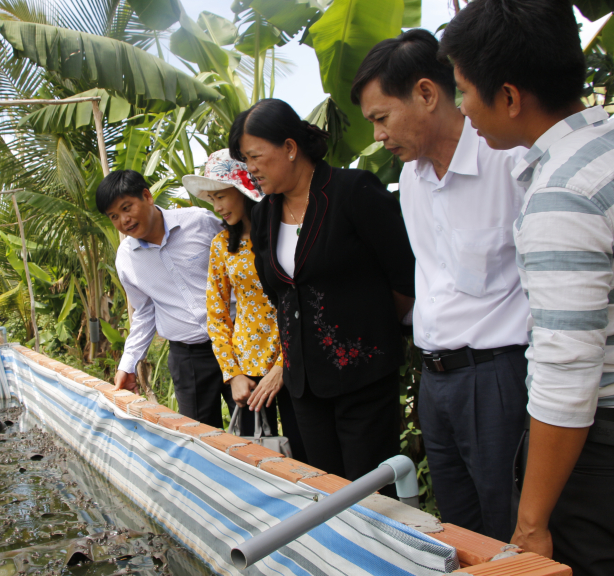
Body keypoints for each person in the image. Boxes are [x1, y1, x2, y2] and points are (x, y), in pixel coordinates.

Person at [441, 1, 614, 573]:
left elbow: (568, 373)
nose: (463, 109)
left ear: (510, 97)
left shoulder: (563, 195)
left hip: (611, 452)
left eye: (464, 91)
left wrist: (532, 523)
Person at [351, 29, 530, 541]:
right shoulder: (411, 180)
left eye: (382, 119)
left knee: (508, 530)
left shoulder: (508, 162)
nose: (379, 136)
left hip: (497, 376)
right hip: (437, 381)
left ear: (427, 94)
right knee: (457, 530)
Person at [230, 98, 415, 486]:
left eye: (256, 156)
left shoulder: (353, 192)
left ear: (290, 148)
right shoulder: (265, 213)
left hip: (361, 378)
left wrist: (369, 330)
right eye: (245, 161)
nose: (252, 170)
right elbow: (280, 293)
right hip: (304, 389)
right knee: (326, 490)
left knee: (373, 495)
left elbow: (404, 278)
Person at [183, 149, 307, 462]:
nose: (218, 206)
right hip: (248, 375)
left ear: (243, 190)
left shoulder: (284, 232)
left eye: (222, 196)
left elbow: (304, 301)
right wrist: (233, 373)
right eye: (212, 199)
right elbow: (217, 315)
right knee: (256, 461)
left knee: (307, 455)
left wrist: (284, 365)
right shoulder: (222, 245)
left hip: (294, 363)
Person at [98, 170, 236, 429]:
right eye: (114, 216)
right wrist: (128, 364)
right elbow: (145, 311)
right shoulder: (127, 259)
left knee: (255, 428)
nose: (124, 221)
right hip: (189, 359)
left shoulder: (200, 221)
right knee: (200, 438)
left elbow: (240, 264)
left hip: (238, 343)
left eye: (126, 208)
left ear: (147, 196)